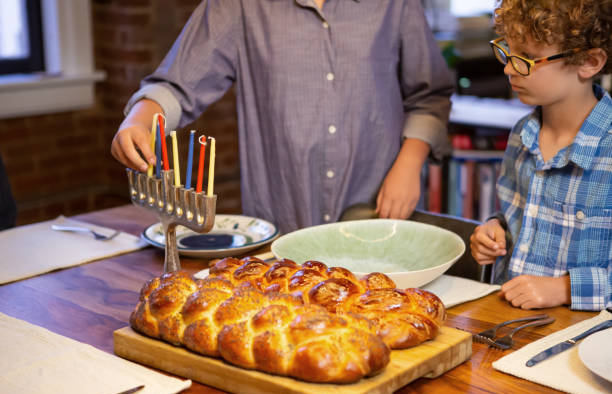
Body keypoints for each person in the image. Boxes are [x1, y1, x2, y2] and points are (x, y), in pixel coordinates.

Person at [110, 0, 454, 234]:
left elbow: (430, 95)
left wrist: (410, 164)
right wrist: (139, 119)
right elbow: (180, 82)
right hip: (282, 225)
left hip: (380, 217)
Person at [470, 0, 612, 311]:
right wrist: (494, 232)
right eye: (509, 51)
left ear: (589, 62)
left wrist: (564, 288)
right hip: (507, 322)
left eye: (529, 58)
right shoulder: (522, 133)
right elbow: (519, 219)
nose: (509, 68)